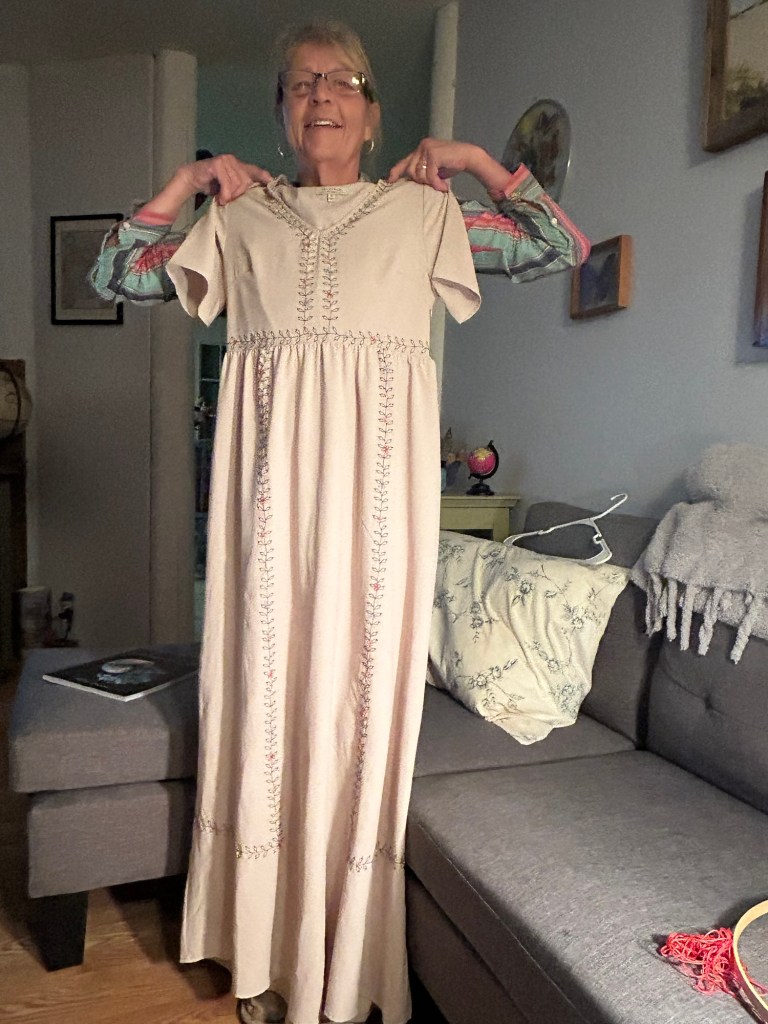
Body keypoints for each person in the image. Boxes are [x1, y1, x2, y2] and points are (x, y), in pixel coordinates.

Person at [91, 20, 589, 1024]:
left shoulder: (425, 213)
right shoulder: (240, 219)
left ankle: (345, 962)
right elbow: (115, 273)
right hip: (267, 519)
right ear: (281, 114)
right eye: (299, 83)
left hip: (376, 518)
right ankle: (265, 951)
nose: (320, 94)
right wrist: (189, 181)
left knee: (359, 700)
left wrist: (470, 157)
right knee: (264, 693)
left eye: (342, 81)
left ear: (372, 112)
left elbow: (557, 246)